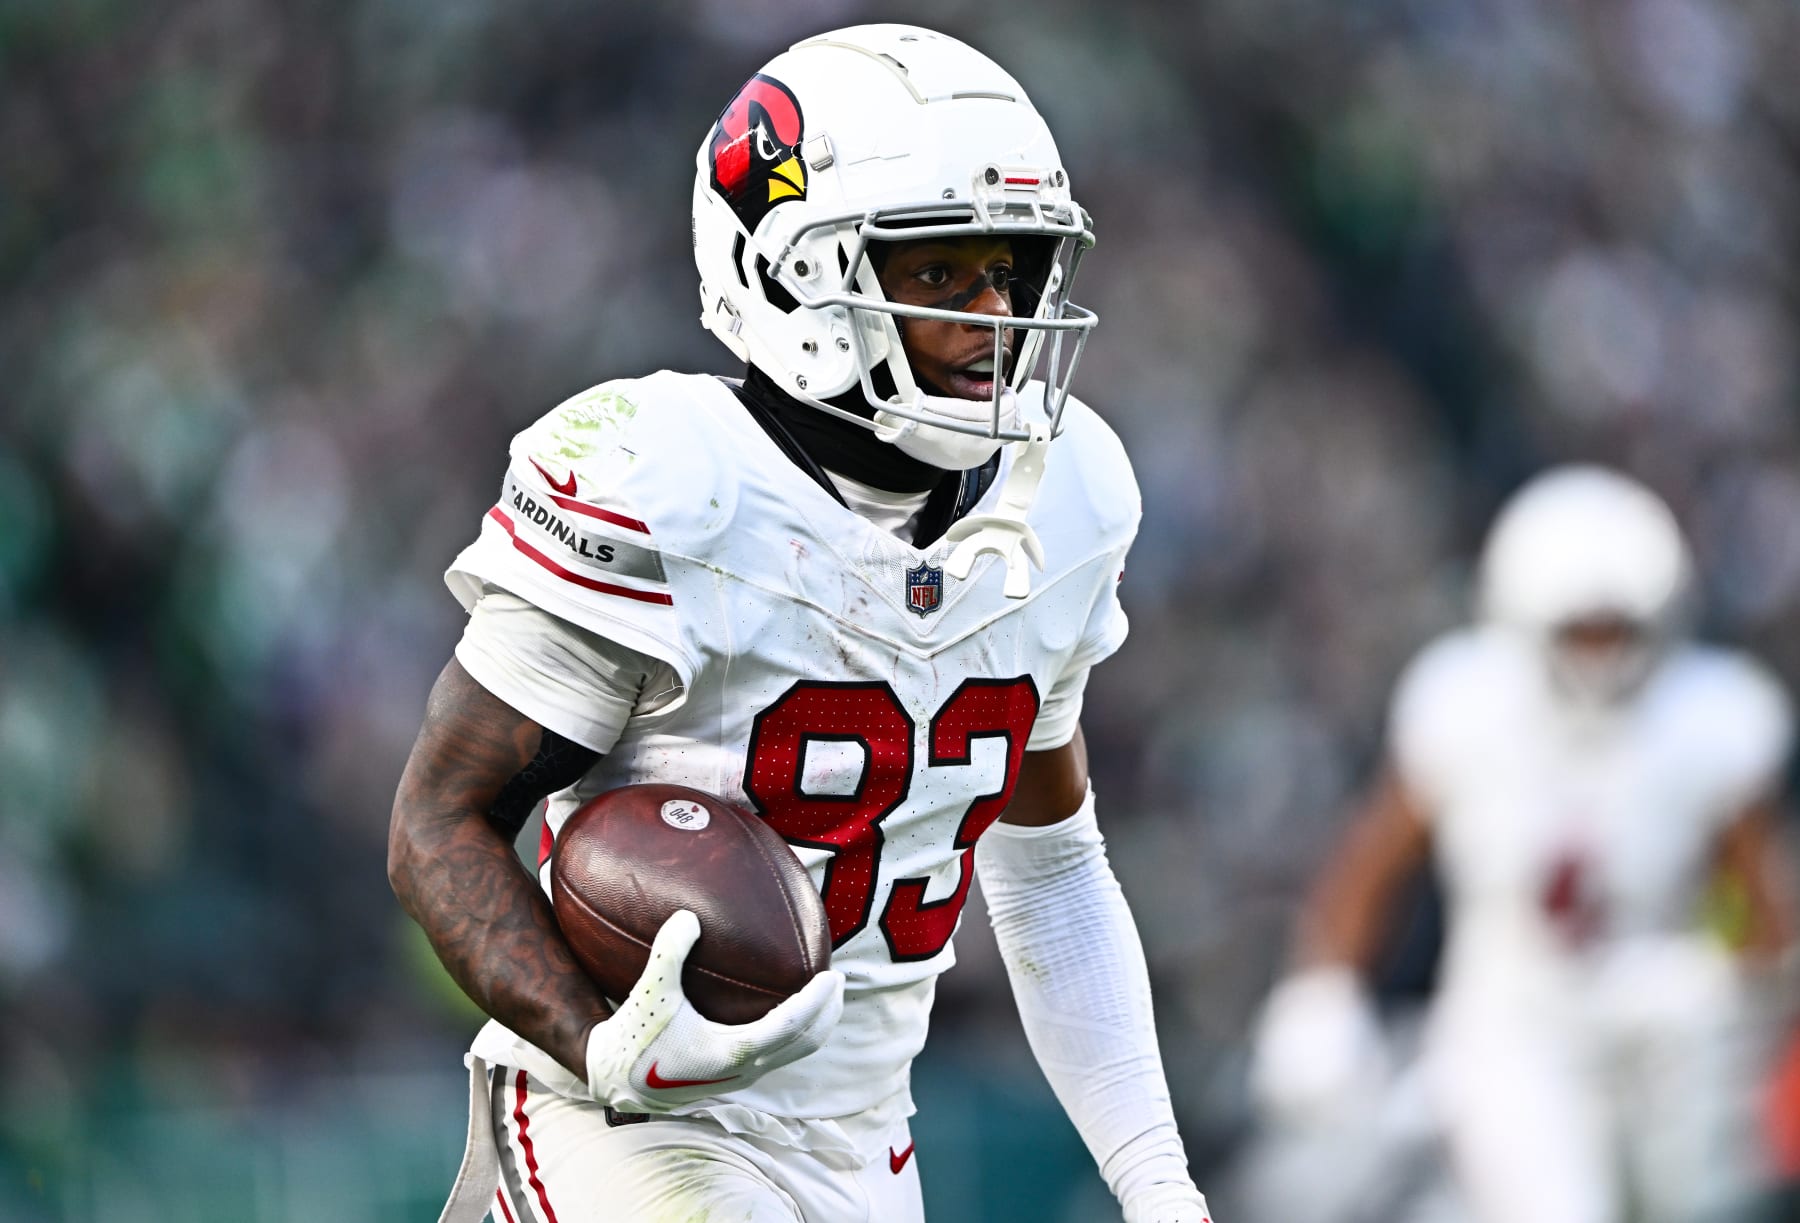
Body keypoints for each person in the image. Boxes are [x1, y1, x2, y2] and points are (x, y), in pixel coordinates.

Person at [388, 24, 1212, 1223]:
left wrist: (1156, 1181)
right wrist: (600, 1039)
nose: (994, 317)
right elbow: (438, 820)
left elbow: (1051, 872)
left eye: (1014, 271)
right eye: (939, 274)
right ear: (792, 276)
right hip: (620, 1129)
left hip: (866, 1147)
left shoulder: (1070, 496)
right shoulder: (670, 480)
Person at [1250, 466, 1798, 1223]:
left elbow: (1759, 914)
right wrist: (1320, 993)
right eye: (1580, 631)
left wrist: (1702, 972)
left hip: (1660, 1044)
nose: (1601, 655)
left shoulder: (1712, 721)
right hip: (1510, 1024)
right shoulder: (1464, 706)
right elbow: (1371, 867)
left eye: (1619, 630)